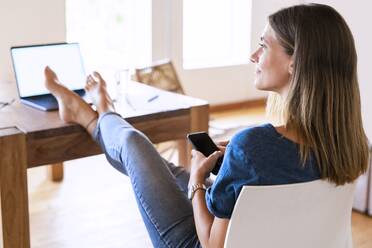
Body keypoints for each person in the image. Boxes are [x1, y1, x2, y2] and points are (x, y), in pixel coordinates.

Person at [44, 3, 369, 248]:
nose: (253, 55)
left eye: (264, 44)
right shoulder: (351, 146)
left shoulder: (252, 147)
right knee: (162, 168)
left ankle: (96, 112)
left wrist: (199, 181)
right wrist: (235, 166)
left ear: (294, 63)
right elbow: (284, 179)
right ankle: (95, 113)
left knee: (133, 145)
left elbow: (213, 243)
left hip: (195, 242)